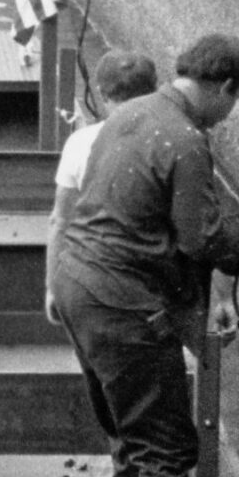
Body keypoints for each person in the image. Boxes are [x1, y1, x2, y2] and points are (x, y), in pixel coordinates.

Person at [49, 34, 239, 477]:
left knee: (131, 431)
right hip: (122, 304)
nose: (232, 112)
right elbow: (200, 239)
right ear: (224, 87)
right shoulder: (185, 141)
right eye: (237, 99)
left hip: (79, 286)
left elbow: (146, 220)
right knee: (168, 448)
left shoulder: (128, 114)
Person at [45, 49, 160, 319]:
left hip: (91, 281)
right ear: (155, 90)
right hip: (152, 286)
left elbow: (60, 220)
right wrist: (222, 297)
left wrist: (53, 289)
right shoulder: (176, 140)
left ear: (102, 93)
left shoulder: (79, 143)